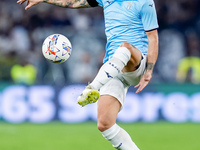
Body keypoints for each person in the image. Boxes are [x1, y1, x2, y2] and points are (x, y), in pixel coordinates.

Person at [17, 0, 159, 149]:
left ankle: (92, 87)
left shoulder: (144, 2)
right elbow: (74, 2)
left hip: (137, 62)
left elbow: (153, 37)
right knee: (105, 124)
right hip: (113, 68)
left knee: (125, 47)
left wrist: (149, 70)